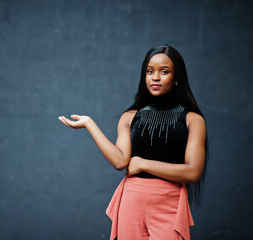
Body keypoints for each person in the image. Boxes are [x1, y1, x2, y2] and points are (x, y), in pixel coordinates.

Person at [57, 44, 208, 240]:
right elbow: (120, 161)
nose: (155, 77)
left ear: (177, 77)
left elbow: (193, 172)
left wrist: (143, 163)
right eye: (149, 71)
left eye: (164, 71)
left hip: (169, 201)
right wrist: (89, 124)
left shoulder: (192, 120)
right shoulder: (129, 117)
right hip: (131, 200)